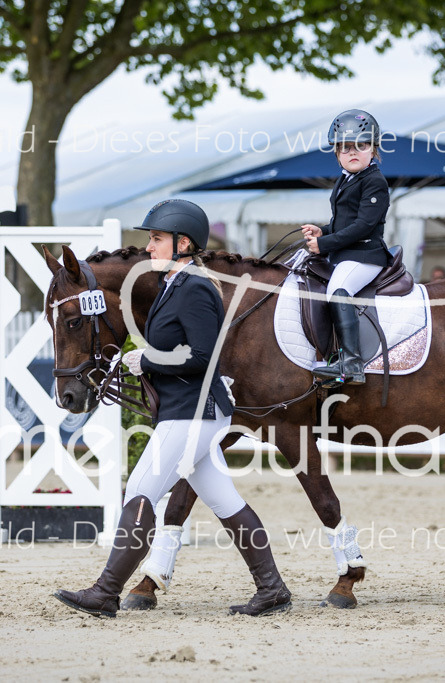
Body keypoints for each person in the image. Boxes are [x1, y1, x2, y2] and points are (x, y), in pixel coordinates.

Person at [54, 199, 292, 619]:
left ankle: (105, 593)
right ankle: (272, 589)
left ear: (183, 243)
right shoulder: (172, 284)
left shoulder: (196, 287)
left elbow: (204, 357)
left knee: (140, 491)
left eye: (156, 239)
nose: (148, 247)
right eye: (149, 239)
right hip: (186, 411)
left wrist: (145, 360)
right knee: (225, 501)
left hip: (192, 413)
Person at [300, 109, 391, 386]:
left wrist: (324, 244)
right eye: (345, 148)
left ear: (373, 149)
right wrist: (322, 231)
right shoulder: (345, 179)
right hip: (346, 252)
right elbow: (342, 223)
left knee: (338, 290)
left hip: (365, 255)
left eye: (361, 146)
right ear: (337, 153)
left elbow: (363, 227)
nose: (353, 152)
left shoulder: (375, 181)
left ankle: (351, 363)